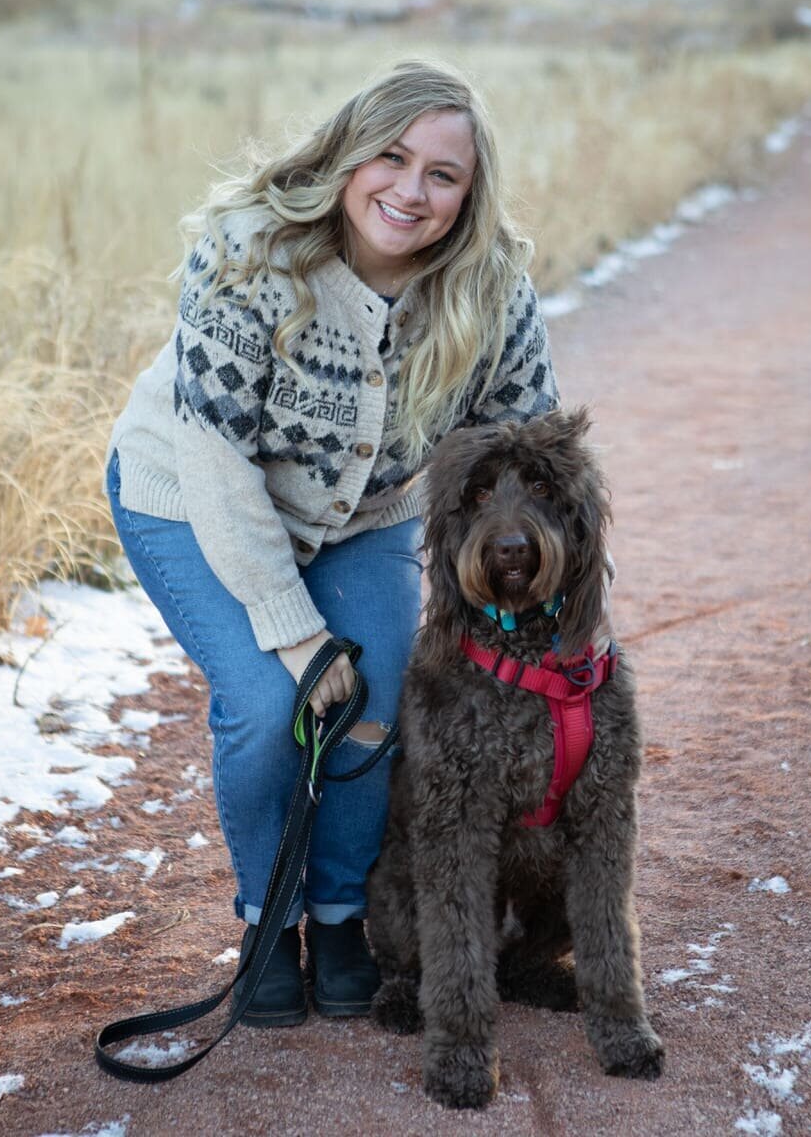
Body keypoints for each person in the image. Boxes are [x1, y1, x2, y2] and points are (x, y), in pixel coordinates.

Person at [105, 59, 560, 1028]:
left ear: (470, 192)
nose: (411, 189)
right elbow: (217, 458)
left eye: (443, 173)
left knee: (378, 696)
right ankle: (268, 919)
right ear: (348, 155)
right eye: (390, 157)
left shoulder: (490, 290)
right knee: (275, 701)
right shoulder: (247, 253)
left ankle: (342, 912)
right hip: (186, 494)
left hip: (361, 517)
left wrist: (541, 599)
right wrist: (296, 631)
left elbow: (527, 446)